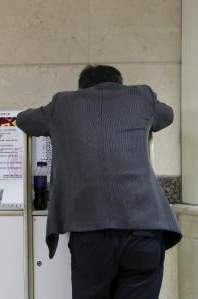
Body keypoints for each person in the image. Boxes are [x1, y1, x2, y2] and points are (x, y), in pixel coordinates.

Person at [16, 65, 181, 299]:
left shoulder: (63, 104)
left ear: (81, 88)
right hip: (145, 230)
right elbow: (168, 115)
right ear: (120, 84)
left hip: (91, 236)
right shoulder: (141, 97)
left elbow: (23, 120)